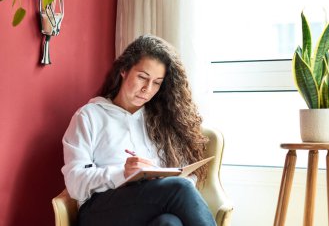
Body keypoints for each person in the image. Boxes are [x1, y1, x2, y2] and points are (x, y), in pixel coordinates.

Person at [61, 35, 216, 226]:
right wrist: (122, 173)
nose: (147, 89)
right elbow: (75, 183)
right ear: (124, 70)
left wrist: (159, 176)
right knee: (179, 189)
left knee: (169, 223)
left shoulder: (161, 119)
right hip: (99, 212)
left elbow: (186, 178)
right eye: (142, 77)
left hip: (149, 208)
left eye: (157, 82)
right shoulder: (89, 116)